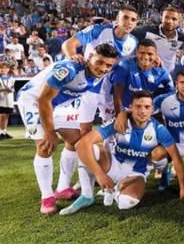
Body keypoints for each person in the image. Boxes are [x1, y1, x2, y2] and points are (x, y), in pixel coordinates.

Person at [16, 43, 119, 214]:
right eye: (99, 62)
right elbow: (43, 100)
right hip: (33, 101)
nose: (103, 68)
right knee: (46, 145)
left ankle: (63, 188)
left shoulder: (102, 74)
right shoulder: (69, 69)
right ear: (90, 57)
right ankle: (47, 197)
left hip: (58, 104)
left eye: (108, 65)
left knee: (76, 141)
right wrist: (49, 131)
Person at [59, 91, 184, 215]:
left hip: (136, 173)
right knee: (90, 148)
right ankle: (87, 196)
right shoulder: (119, 123)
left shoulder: (159, 129)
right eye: (138, 106)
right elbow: (81, 144)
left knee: (126, 204)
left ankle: (114, 190)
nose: (142, 111)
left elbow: (176, 158)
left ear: (152, 109)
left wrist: (183, 188)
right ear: (131, 107)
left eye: (147, 107)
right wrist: (100, 175)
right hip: (113, 165)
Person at [62, 6, 139, 135]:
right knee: (84, 130)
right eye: (125, 17)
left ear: (136, 23)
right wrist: (72, 56)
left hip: (110, 91)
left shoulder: (133, 42)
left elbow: (133, 64)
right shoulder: (99, 30)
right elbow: (69, 44)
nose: (129, 22)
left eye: (133, 19)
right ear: (117, 19)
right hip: (87, 88)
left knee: (114, 129)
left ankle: (109, 155)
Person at [112, 39, 174, 134]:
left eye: (150, 54)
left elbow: (173, 94)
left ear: (156, 55)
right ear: (136, 53)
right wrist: (120, 113)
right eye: (142, 53)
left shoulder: (162, 72)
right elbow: (117, 94)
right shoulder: (125, 66)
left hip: (146, 112)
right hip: (125, 110)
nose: (145, 57)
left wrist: (156, 104)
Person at [132, 6, 184, 73]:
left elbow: (182, 47)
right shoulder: (147, 31)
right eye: (166, 17)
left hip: (168, 73)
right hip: (147, 72)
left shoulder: (181, 38)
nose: (169, 21)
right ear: (161, 18)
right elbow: (130, 32)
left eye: (174, 19)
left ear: (178, 22)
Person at [0, 61, 15, 139]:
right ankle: (0, 132)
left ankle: (4, 132)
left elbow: (13, 89)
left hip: (9, 98)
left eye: (5, 68)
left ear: (8, 69)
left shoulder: (12, 78)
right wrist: (3, 89)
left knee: (6, 116)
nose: (3, 70)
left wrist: (10, 90)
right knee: (1, 115)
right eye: (1, 68)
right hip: (1, 99)